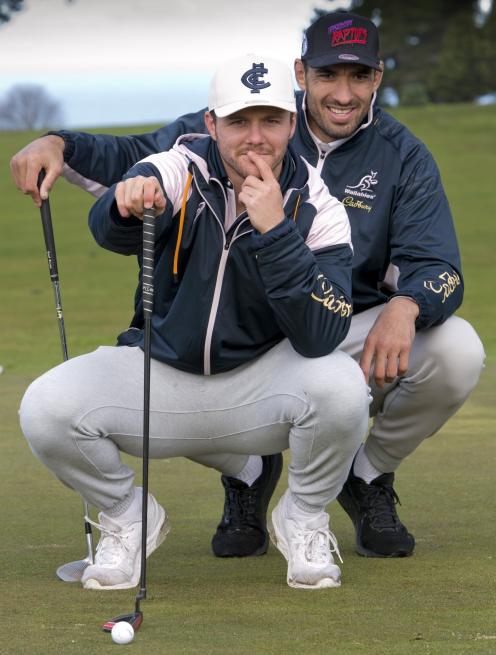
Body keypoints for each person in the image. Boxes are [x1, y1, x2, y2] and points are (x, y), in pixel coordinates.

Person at [12, 11, 485, 561]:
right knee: (195, 359)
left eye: (359, 76)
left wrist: (407, 305)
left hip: (331, 326)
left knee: (455, 349)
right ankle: (248, 474)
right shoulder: (241, 124)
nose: (342, 93)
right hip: (235, 330)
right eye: (329, 75)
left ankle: (366, 474)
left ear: (378, 78)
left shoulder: (403, 155)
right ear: (301, 74)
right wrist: (59, 144)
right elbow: (138, 161)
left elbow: (441, 268)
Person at [19, 53, 371, 591]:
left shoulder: (318, 207)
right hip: (160, 375)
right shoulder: (178, 167)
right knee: (45, 408)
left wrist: (276, 231)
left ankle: (302, 517)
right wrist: (125, 203)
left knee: (345, 389)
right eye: (238, 122)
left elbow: (322, 333)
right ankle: (126, 517)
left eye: (270, 121)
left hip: (261, 390)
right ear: (211, 124)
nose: (255, 139)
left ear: (292, 123)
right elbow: (108, 228)